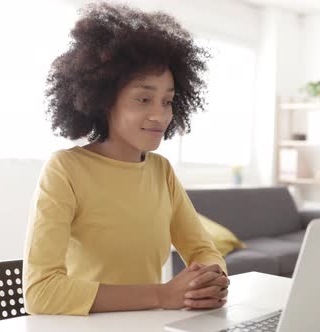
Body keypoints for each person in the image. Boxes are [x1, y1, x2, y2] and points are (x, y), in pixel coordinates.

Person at [22, 2, 229, 315]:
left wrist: (213, 278)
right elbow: (41, 292)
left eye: (168, 101)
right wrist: (161, 295)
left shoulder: (161, 171)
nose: (160, 115)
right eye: (143, 99)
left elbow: (202, 249)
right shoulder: (65, 169)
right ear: (105, 101)